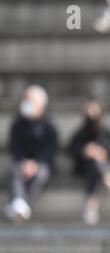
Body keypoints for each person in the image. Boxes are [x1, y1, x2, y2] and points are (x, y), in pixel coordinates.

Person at [67, 99, 110, 226]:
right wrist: (85, 151)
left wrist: (101, 152)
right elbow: (71, 148)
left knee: (96, 165)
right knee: (93, 163)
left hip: (101, 167)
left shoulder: (107, 133)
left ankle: (91, 205)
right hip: (84, 168)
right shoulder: (81, 133)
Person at [4, 85, 58, 223]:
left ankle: (20, 203)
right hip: (21, 163)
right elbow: (14, 147)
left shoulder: (49, 126)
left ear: (41, 104)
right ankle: (21, 205)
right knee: (15, 171)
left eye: (30, 100)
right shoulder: (17, 125)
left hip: (42, 165)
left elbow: (49, 149)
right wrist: (23, 162)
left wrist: (36, 163)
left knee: (41, 174)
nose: (26, 104)